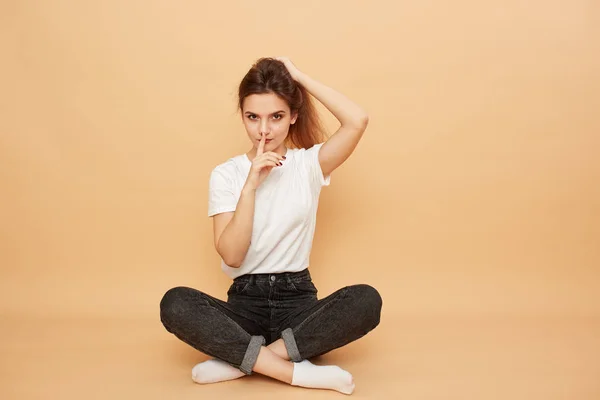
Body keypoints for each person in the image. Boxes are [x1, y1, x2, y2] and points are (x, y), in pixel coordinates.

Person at [159, 57, 382, 395]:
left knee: (366, 300)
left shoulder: (309, 164)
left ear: (293, 115)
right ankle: (298, 373)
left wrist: (300, 78)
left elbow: (357, 120)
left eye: (276, 116)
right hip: (244, 307)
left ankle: (245, 361)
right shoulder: (227, 174)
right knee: (175, 303)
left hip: (299, 305)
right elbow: (233, 257)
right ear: (243, 117)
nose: (264, 130)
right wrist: (250, 186)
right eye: (253, 117)